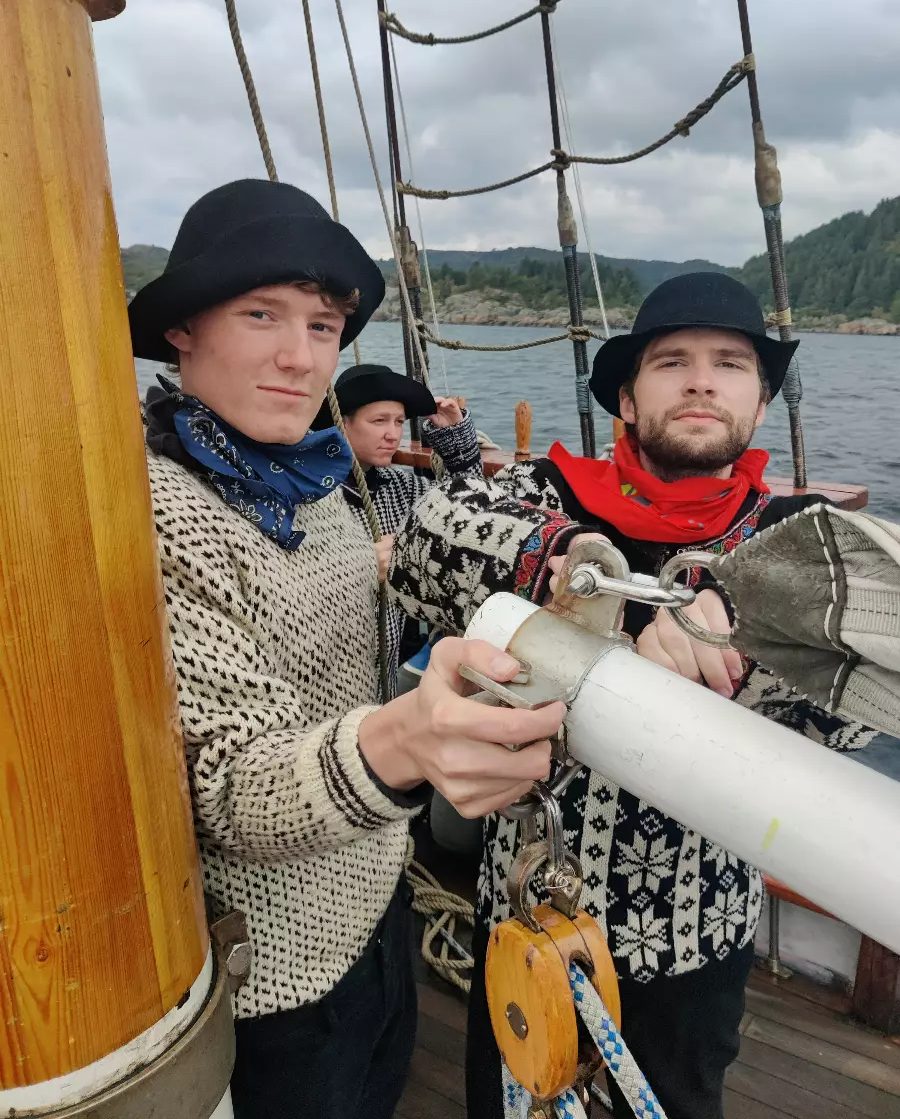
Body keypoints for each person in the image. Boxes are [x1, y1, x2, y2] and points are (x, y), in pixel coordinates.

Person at [128, 178, 570, 1119]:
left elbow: (392, 582)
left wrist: (557, 565)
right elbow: (227, 783)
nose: (300, 358)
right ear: (182, 331)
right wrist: (406, 741)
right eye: (261, 315)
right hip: (279, 976)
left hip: (379, 897)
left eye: (323, 326)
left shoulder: (312, 479)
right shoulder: (159, 511)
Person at [388, 272, 876, 1119]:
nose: (701, 382)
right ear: (627, 397)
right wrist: (579, 572)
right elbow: (430, 536)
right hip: (527, 920)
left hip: (695, 936)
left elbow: (851, 714)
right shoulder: (545, 496)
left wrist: (747, 619)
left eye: (730, 364)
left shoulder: (802, 548)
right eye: (672, 362)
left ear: (760, 403)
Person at [321, 362, 481, 692]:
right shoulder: (310, 493)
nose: (393, 434)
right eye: (379, 421)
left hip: (386, 676)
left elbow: (468, 513)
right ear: (342, 422)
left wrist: (455, 439)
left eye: (398, 422)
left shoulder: (400, 486)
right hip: (329, 672)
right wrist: (362, 566)